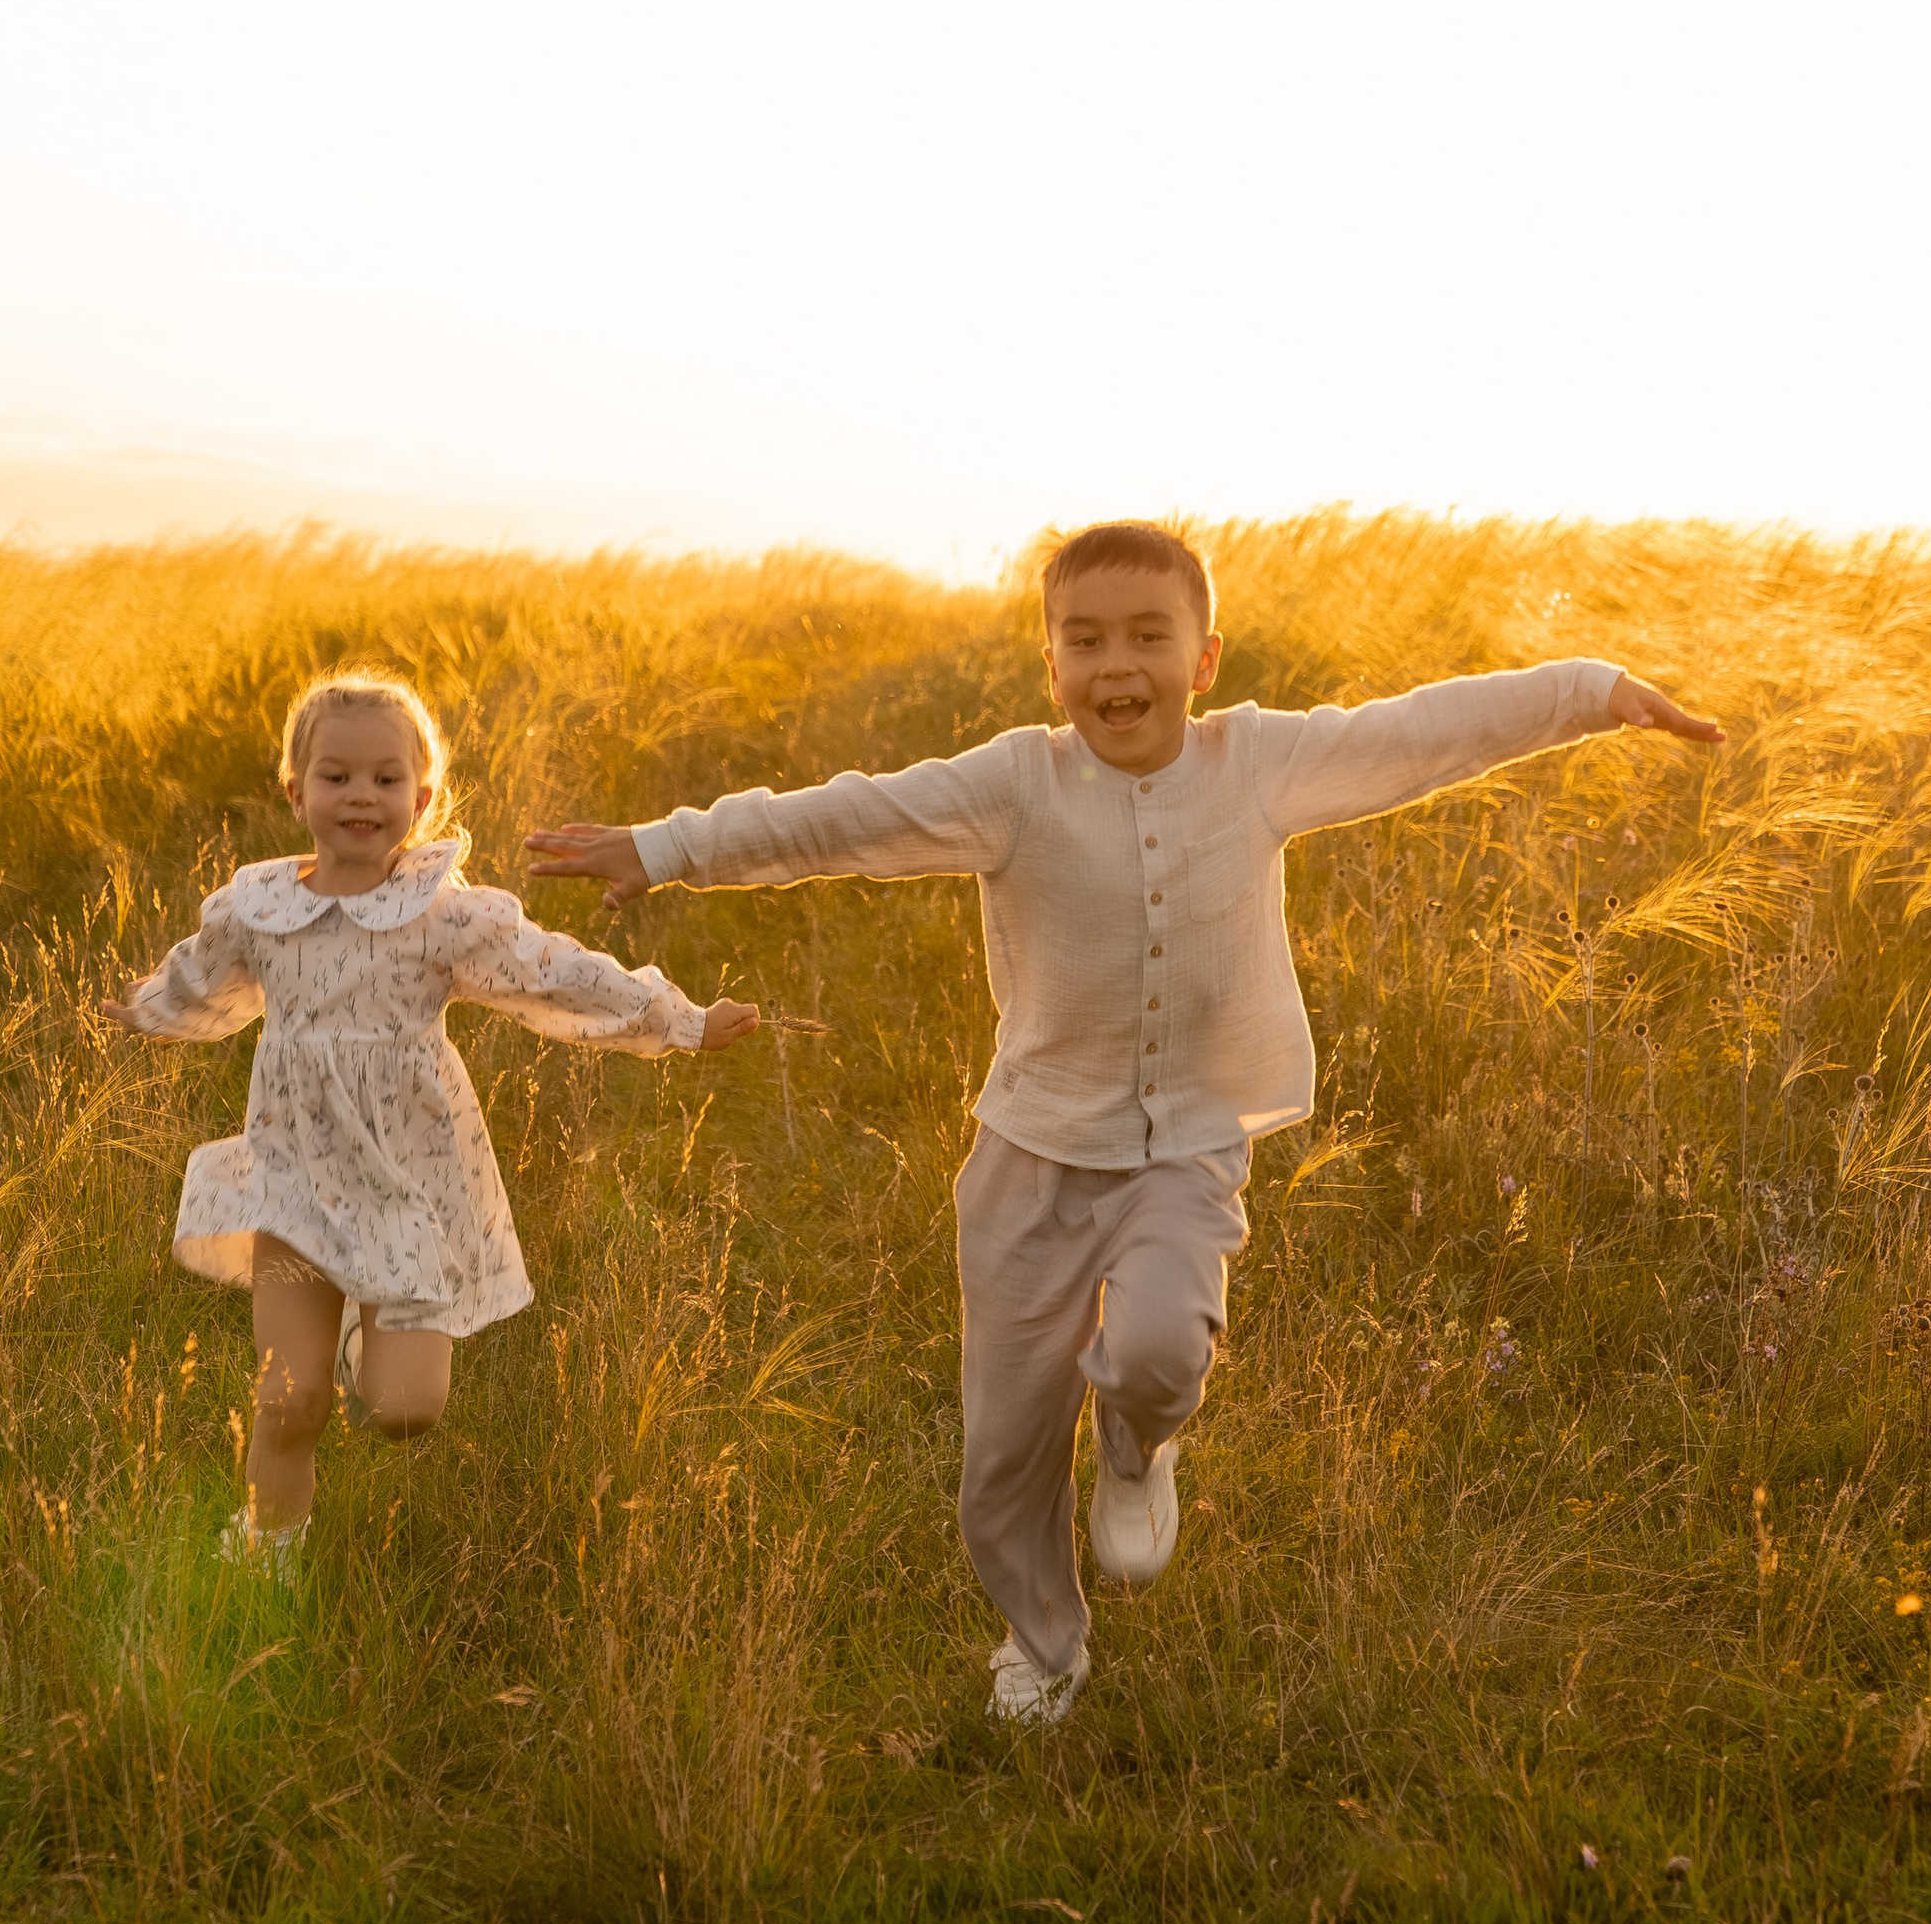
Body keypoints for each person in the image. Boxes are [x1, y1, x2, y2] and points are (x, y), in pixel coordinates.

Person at [526, 523, 1720, 1722]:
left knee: (1157, 1347)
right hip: (1029, 1158)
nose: (1116, 666)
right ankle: (1041, 1648)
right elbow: (842, 819)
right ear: (1050, 667)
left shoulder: (1260, 763)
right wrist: (666, 846)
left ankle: (1140, 1452)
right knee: (1003, 1455)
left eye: (1149, 636)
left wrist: (1591, 691)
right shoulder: (1012, 784)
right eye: (1083, 641)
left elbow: (1417, 731)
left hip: (1187, 1147)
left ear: (1203, 660)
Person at [105, 670, 757, 1574]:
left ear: (422, 795)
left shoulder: (443, 917)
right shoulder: (258, 910)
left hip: (410, 1188)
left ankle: (358, 1341)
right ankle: (263, 1559)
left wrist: (680, 1020)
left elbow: (556, 974)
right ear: (296, 792)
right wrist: (138, 1008)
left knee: (405, 1409)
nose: (361, 796)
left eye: (385, 778)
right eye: (336, 777)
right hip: (291, 1182)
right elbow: (196, 978)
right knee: (287, 1403)